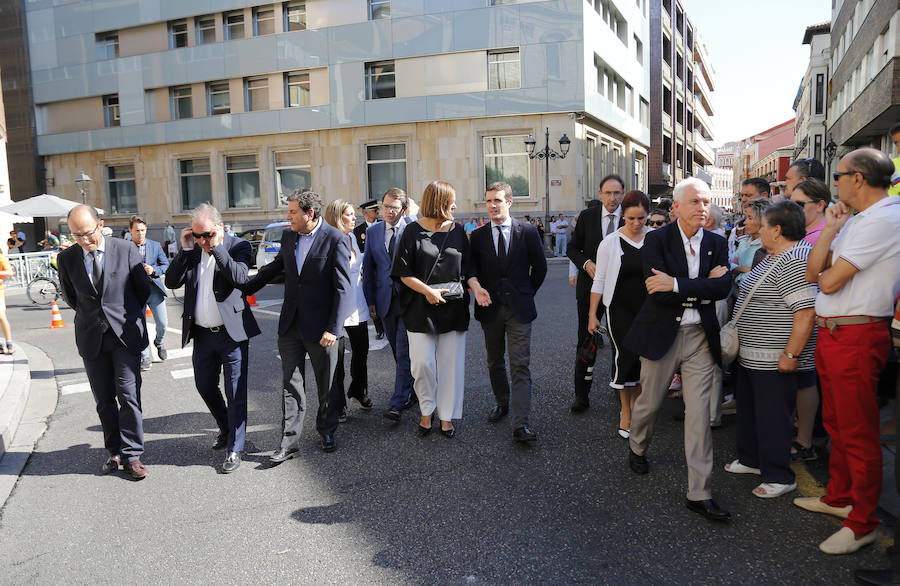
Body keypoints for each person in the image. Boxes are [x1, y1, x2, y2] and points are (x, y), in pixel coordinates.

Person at [796, 148, 900, 554]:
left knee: (857, 432)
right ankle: (840, 498)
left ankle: (863, 523)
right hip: (837, 332)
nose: (833, 181)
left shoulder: (886, 218)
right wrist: (827, 231)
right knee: (839, 424)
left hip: (855, 335)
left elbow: (828, 282)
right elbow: (812, 274)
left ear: (858, 178)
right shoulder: (859, 219)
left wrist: (827, 264)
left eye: (838, 175)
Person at [623, 177, 732, 521]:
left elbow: (723, 287)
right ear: (677, 208)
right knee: (649, 404)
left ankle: (699, 492)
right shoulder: (655, 240)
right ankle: (637, 446)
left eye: (706, 202)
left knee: (698, 416)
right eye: (696, 202)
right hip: (662, 335)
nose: (704, 208)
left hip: (701, 336)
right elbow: (657, 289)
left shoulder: (717, 241)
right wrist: (701, 286)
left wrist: (679, 284)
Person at [244, 189, 352, 459]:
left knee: (326, 384)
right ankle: (288, 443)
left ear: (310, 213)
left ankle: (327, 429)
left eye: (292, 212)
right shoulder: (289, 236)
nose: (287, 216)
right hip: (290, 325)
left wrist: (333, 329)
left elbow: (342, 288)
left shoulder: (335, 239)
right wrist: (244, 285)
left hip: (322, 329)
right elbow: (276, 268)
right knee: (290, 385)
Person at [724, 201, 817, 498]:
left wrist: (790, 355)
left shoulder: (794, 259)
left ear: (777, 230)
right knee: (752, 412)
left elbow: (805, 311)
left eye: (763, 225)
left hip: (774, 358)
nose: (758, 230)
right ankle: (752, 460)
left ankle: (779, 475)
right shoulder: (778, 255)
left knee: (774, 417)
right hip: (754, 356)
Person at [57, 205, 152, 480]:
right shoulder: (67, 258)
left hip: (125, 335)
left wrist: (123, 317)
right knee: (104, 400)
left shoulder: (125, 249)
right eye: (77, 235)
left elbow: (142, 289)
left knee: (128, 395)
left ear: (100, 224)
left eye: (87, 233)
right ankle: (115, 452)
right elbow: (71, 297)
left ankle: (133, 455)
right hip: (91, 337)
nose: (84, 240)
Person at [164, 204, 260, 473]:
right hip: (203, 334)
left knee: (235, 391)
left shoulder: (237, 246)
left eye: (206, 234)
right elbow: (172, 282)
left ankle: (235, 447)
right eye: (197, 236)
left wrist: (217, 248)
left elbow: (241, 278)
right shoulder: (193, 250)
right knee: (205, 386)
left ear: (218, 227)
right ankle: (226, 427)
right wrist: (185, 250)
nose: (202, 241)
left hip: (231, 334)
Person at [467, 182, 547, 442]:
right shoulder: (478, 236)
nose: (492, 205)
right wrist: (478, 289)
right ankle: (502, 402)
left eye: (497, 200)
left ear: (509, 203)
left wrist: (525, 294)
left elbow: (540, 268)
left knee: (520, 364)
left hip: (519, 310)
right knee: (494, 361)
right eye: (489, 201)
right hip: (490, 309)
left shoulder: (528, 232)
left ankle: (520, 424)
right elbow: (471, 270)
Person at [392, 180, 470, 438]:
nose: (455, 206)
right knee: (422, 364)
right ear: (439, 203)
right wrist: (429, 292)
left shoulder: (458, 231)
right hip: (419, 308)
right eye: (451, 201)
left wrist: (477, 287)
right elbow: (402, 273)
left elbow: (468, 269)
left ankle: (445, 416)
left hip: (454, 308)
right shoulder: (411, 232)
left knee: (450, 366)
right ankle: (427, 408)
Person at [587, 190, 650, 439]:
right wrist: (593, 315)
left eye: (641, 219)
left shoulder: (656, 239)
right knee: (625, 357)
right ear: (623, 215)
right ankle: (625, 411)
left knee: (647, 360)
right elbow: (599, 281)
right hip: (619, 309)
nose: (636, 224)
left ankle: (638, 406)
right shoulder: (610, 242)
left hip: (649, 310)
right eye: (631, 218)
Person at [566, 174, 625, 412]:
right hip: (590, 289)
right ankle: (582, 394)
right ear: (600, 194)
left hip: (621, 291)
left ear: (623, 194)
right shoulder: (587, 217)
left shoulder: (630, 217)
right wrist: (585, 263)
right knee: (586, 339)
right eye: (608, 193)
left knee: (619, 340)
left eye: (617, 193)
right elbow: (572, 247)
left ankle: (619, 385)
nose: (612, 198)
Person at [362, 188, 416, 421]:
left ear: (403, 209)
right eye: (385, 207)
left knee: (404, 351)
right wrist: (371, 302)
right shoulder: (373, 232)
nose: (388, 212)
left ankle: (397, 402)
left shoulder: (413, 228)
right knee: (397, 350)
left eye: (393, 207)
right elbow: (369, 269)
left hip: (410, 299)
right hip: (385, 301)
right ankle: (411, 389)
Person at [324, 199, 372, 419]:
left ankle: (358, 391)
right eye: (350, 214)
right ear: (337, 217)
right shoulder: (329, 240)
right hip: (339, 306)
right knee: (338, 359)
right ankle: (338, 403)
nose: (355, 218)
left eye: (354, 214)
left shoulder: (352, 236)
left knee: (361, 351)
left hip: (358, 303)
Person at [128, 215, 170, 371]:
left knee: (163, 323)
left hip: (154, 290)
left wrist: (154, 270)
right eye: (137, 230)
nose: (140, 233)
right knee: (139, 327)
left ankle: (159, 342)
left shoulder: (155, 245)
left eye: (143, 230)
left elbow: (165, 265)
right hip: (135, 293)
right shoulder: (125, 247)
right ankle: (144, 356)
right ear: (130, 231)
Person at [354, 198, 384, 339]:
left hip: (382, 269)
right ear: (366, 213)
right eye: (374, 210)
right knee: (372, 299)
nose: (378, 211)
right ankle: (379, 329)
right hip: (368, 271)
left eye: (378, 209)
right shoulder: (358, 231)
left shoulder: (384, 226)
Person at [789, 178, 830, 246]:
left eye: (799, 204)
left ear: (820, 205)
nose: (791, 209)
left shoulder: (821, 238)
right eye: (790, 204)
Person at [0, 249, 15, 354]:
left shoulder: (1, 258)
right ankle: (1, 345)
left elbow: (10, 272)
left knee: (1, 316)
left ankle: (9, 344)